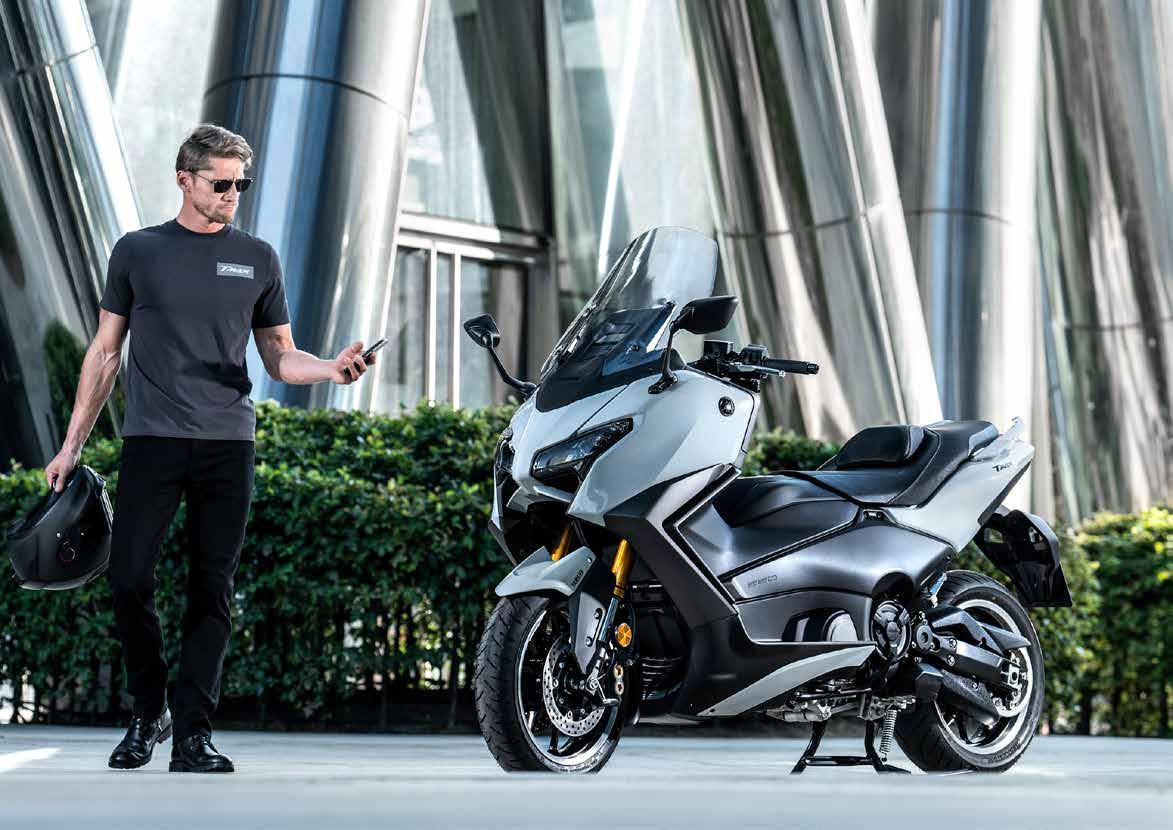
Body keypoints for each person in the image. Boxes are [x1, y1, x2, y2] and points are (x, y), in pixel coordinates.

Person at [43, 124, 376, 773]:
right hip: (153, 440)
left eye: (240, 184)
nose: (231, 194)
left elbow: (280, 357)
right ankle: (149, 711)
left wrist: (332, 370)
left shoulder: (258, 258)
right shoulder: (138, 251)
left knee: (211, 588)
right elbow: (105, 353)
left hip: (228, 443)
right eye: (220, 183)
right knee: (128, 576)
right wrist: (71, 446)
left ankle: (194, 733)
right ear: (184, 179)